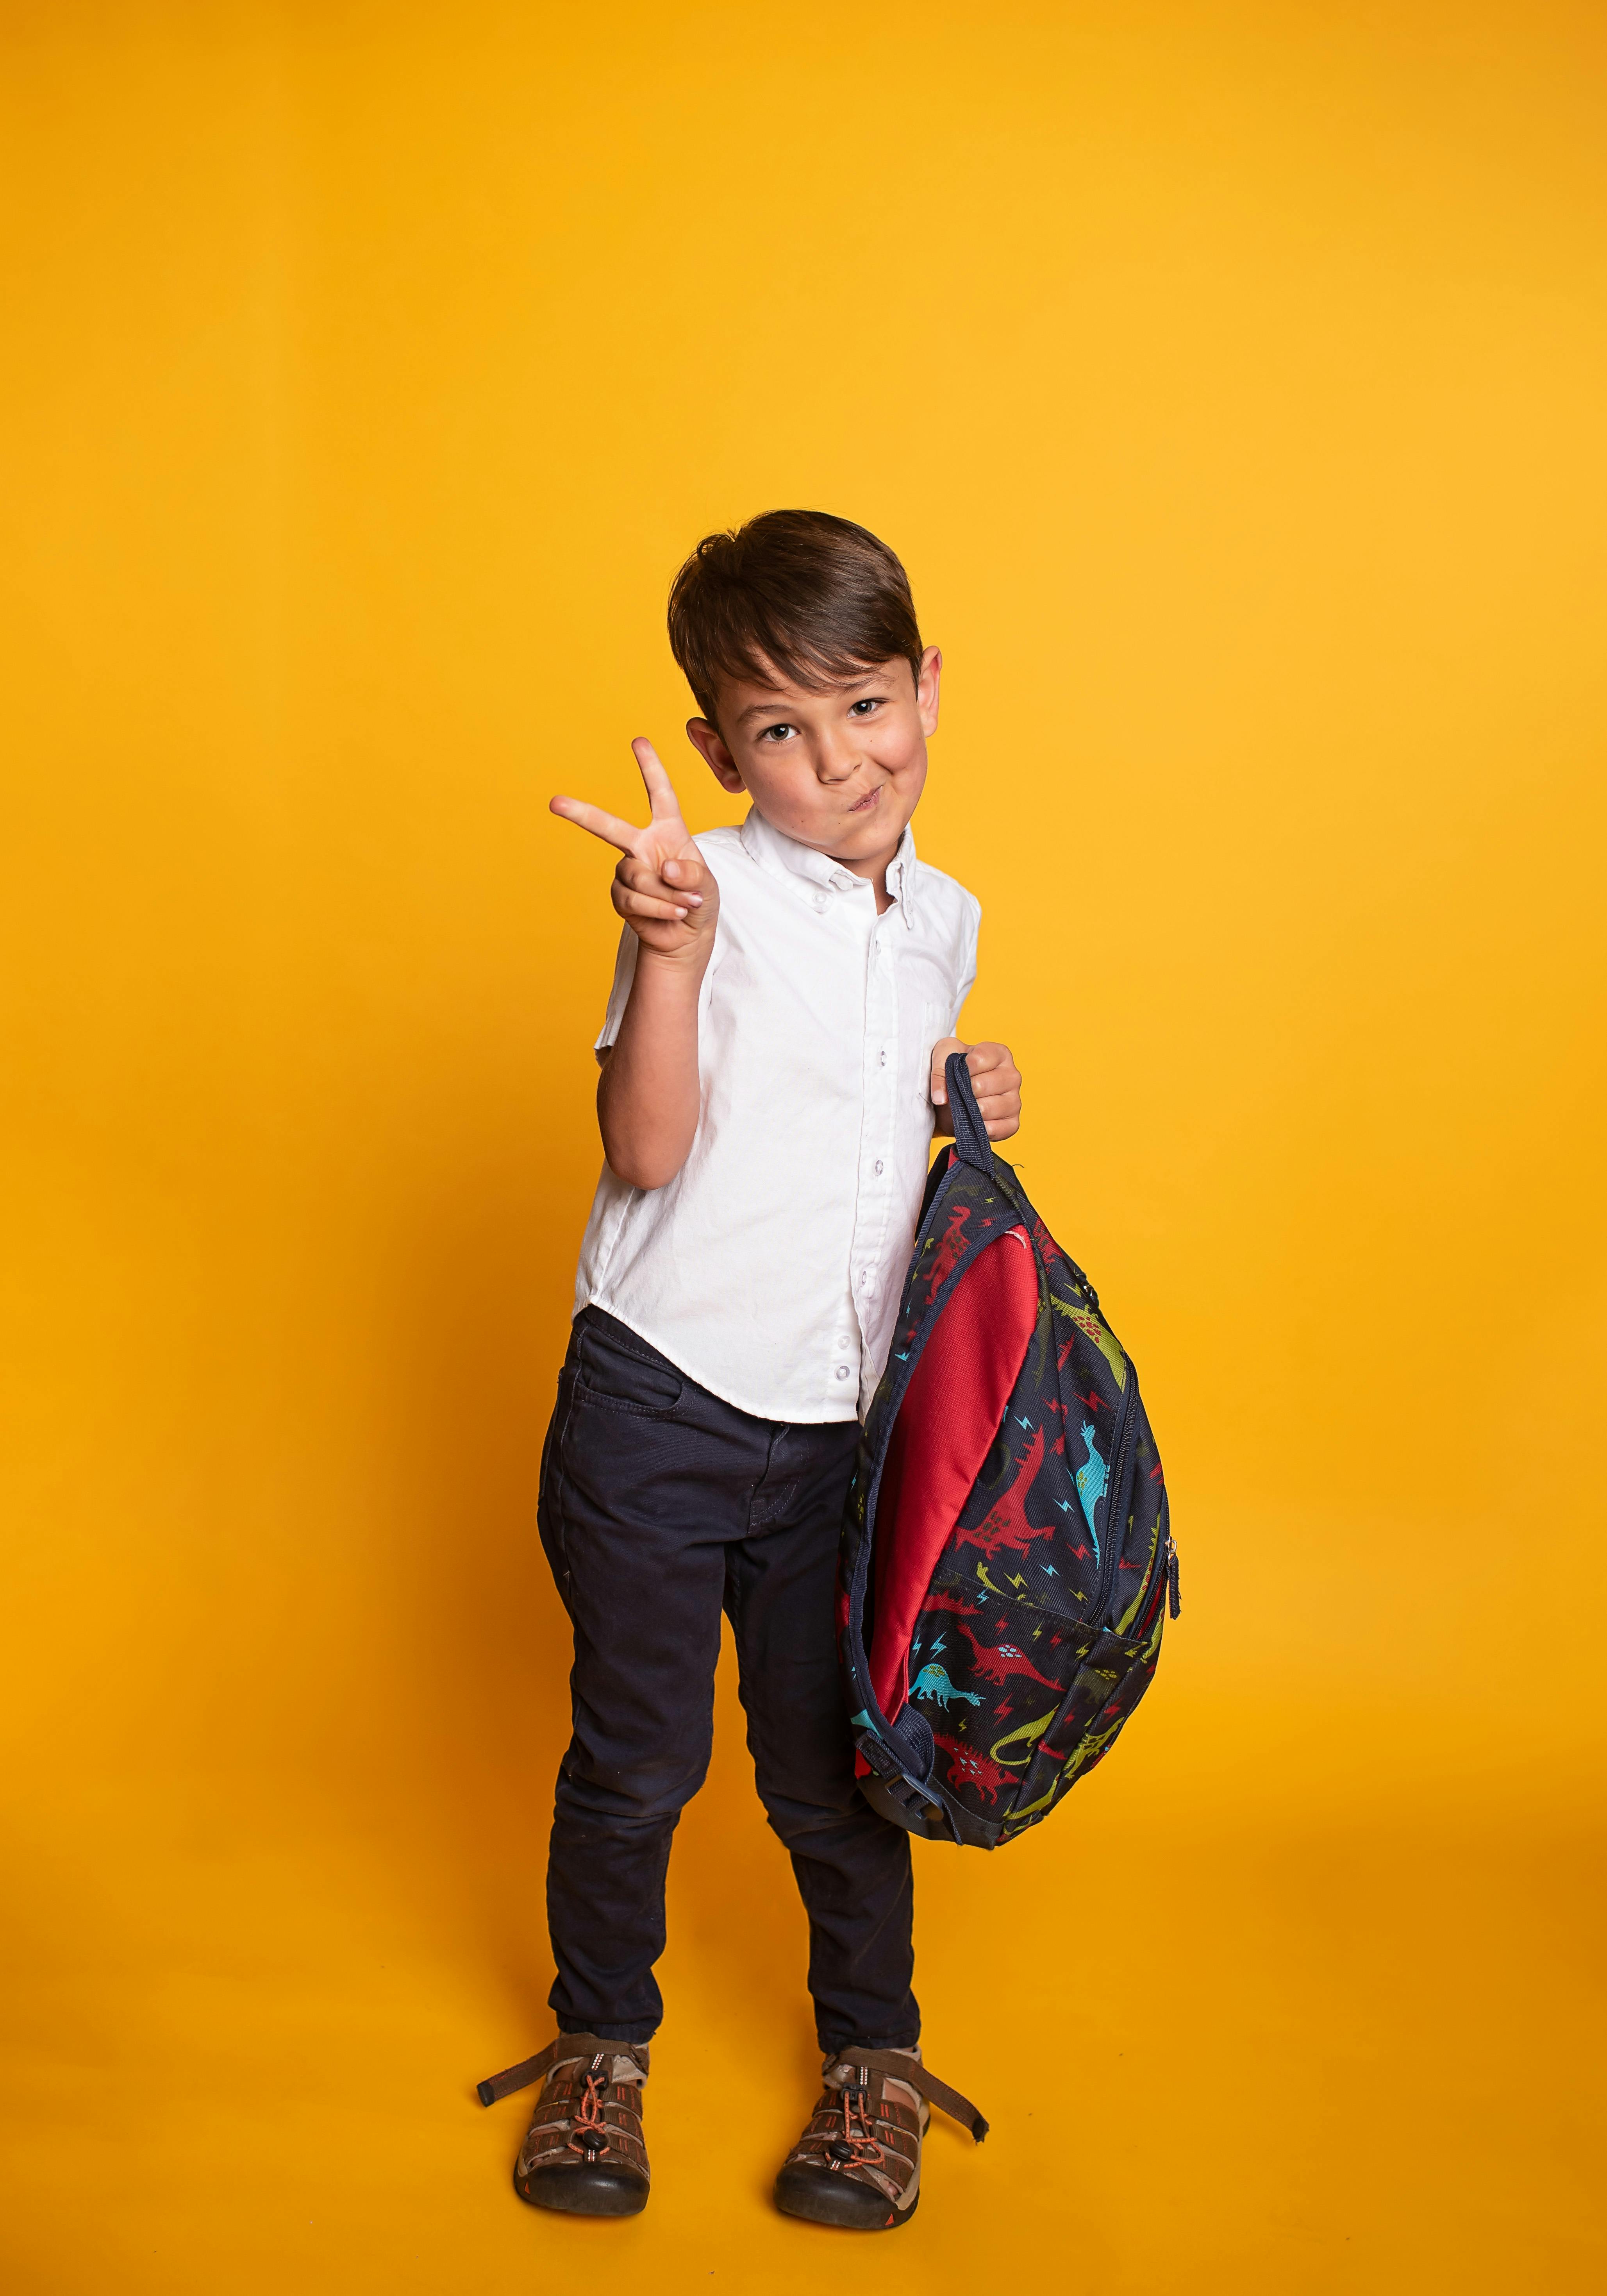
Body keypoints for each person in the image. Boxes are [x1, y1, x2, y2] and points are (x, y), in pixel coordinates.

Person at [483, 510, 1021, 2230]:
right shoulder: (698, 891)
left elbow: (855, 1148)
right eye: (779, 731)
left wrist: (963, 1116)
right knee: (636, 1762)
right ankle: (601, 2044)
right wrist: (665, 952)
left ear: (927, 687)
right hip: (656, 1411)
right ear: (722, 750)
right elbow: (648, 1155)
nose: (837, 759)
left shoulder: (946, 918)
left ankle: (873, 2066)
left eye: (865, 705)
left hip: (839, 1439)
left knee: (833, 1771)